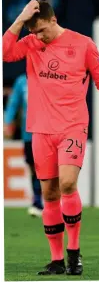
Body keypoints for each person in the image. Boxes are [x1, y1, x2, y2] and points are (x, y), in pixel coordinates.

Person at [3, 0, 99, 275]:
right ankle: (56, 260)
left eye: (42, 30)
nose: (39, 37)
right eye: (34, 32)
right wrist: (20, 20)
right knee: (49, 194)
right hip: (41, 129)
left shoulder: (83, 44)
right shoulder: (32, 42)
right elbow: (5, 53)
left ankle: (74, 254)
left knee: (68, 184)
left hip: (72, 126)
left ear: (54, 21)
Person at [4, 73, 43, 217]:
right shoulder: (21, 81)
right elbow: (14, 103)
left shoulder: (52, 77)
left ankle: (44, 201)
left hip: (49, 131)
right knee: (33, 167)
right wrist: (8, 121)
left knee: (46, 167)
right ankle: (38, 200)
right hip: (29, 133)